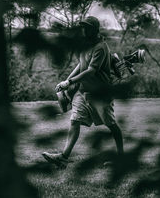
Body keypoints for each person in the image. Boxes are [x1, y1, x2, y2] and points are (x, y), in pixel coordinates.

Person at [42, 16, 124, 168]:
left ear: (94, 30)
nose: (84, 29)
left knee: (111, 124)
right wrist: (67, 81)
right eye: (83, 27)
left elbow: (91, 71)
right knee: (74, 121)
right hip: (83, 91)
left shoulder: (101, 47)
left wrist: (70, 82)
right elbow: (81, 65)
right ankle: (63, 158)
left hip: (100, 93)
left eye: (87, 27)